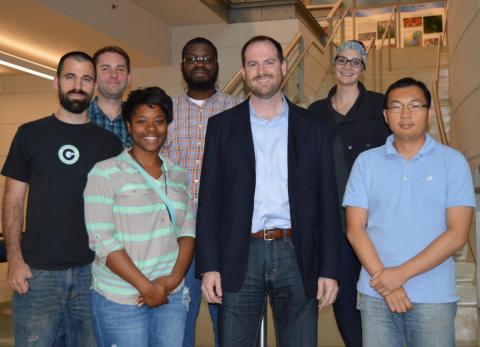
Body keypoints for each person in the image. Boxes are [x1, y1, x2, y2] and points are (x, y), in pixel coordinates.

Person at [196, 35, 341, 347]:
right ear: (245, 73)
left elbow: (328, 205)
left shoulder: (314, 128)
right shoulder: (221, 127)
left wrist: (329, 269)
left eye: (269, 62)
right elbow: (209, 202)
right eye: (253, 64)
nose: (261, 70)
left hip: (297, 252)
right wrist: (209, 266)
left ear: (284, 66)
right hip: (240, 254)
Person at [1, 51, 123, 346]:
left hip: (93, 274)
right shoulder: (30, 134)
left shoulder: (109, 144)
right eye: (70, 77)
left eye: (86, 79)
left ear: (94, 86)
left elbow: (118, 210)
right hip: (38, 274)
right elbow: (13, 201)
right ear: (55, 82)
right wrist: (14, 259)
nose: (77, 85)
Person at [344, 77, 475, 347]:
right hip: (375, 295)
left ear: (429, 113)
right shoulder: (365, 163)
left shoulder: (453, 162)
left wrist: (398, 275)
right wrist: (386, 282)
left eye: (415, 105)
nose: (405, 114)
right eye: (397, 107)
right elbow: (355, 229)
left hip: (433, 297)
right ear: (385, 115)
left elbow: (458, 234)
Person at [84, 87, 195, 347]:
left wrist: (174, 279)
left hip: (171, 295)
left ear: (168, 125)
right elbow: (102, 240)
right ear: (128, 125)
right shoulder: (105, 172)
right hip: (120, 298)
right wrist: (146, 287)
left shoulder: (178, 174)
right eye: (141, 121)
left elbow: (188, 231)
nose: (151, 129)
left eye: (159, 121)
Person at [308, 40, 390, 347]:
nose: (347, 66)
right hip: (333, 223)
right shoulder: (315, 112)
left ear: (364, 67)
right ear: (334, 64)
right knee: (343, 299)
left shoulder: (380, 107)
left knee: (378, 293)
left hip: (374, 222)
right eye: (342, 59)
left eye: (355, 62)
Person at [167, 37, 241, 347]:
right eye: (192, 59)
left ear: (217, 65)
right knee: (177, 320)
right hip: (174, 236)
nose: (200, 64)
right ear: (182, 65)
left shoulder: (238, 109)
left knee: (229, 322)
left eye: (206, 58)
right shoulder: (164, 111)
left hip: (223, 236)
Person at [88, 46, 132, 147]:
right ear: (94, 76)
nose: (114, 75)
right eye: (105, 69)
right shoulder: (79, 118)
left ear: (128, 78)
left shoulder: (138, 120)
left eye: (120, 69)